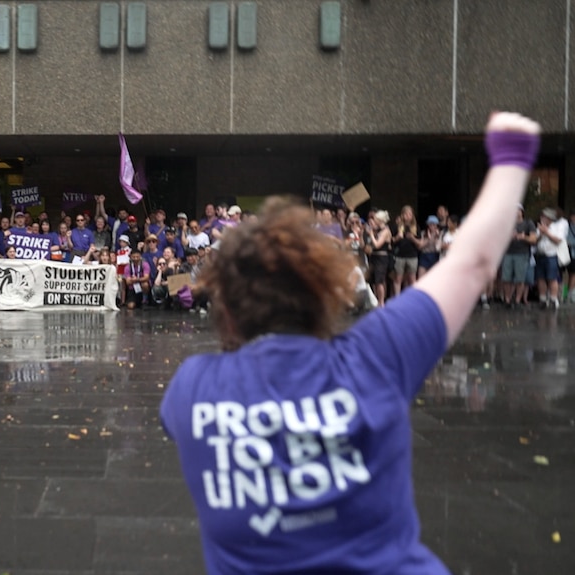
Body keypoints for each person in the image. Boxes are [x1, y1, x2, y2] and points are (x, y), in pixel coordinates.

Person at [159, 112, 541, 575]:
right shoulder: (378, 355)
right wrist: (512, 155)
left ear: (228, 312)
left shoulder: (191, 388)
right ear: (326, 294)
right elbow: (474, 262)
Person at [500, 205, 536, 308]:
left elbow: (533, 239)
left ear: (522, 211)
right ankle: (507, 299)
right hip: (508, 253)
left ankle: (517, 300)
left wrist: (523, 237)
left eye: (518, 210)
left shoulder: (528, 223)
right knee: (506, 278)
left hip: (522, 253)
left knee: (520, 278)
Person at [535, 206, 569, 310]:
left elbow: (558, 240)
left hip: (552, 255)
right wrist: (540, 234)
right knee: (540, 278)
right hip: (540, 254)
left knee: (552, 278)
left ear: (549, 218)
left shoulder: (557, 227)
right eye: (542, 216)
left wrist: (547, 232)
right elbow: (536, 240)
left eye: (544, 216)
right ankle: (543, 299)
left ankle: (554, 299)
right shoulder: (540, 226)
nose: (542, 218)